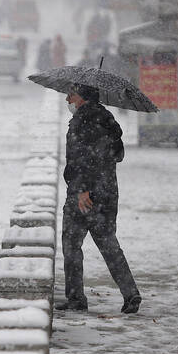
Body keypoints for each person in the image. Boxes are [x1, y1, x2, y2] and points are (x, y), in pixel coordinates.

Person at [58, 83, 142, 315]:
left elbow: (80, 158)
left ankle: (75, 298)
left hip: (84, 195)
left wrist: (82, 190)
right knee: (109, 244)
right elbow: (118, 155)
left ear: (82, 98)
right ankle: (130, 293)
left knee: (71, 245)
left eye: (71, 95)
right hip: (107, 192)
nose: (67, 100)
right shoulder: (108, 121)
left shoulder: (80, 122)